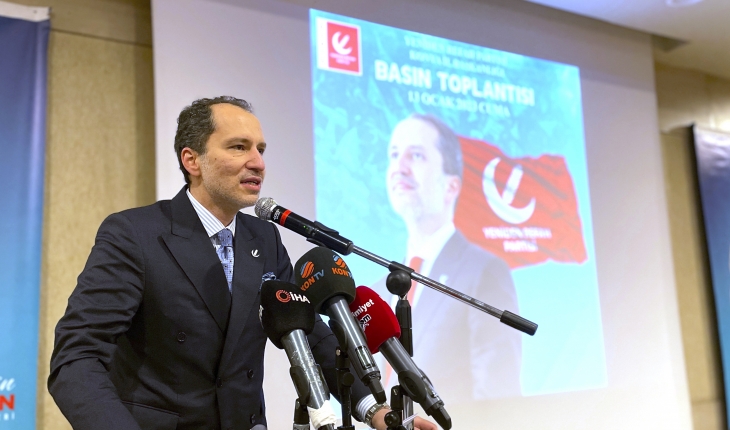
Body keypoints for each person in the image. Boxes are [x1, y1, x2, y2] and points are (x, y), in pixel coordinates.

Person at [48, 97, 436, 430]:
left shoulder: (264, 239)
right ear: (192, 160)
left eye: (261, 149)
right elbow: (77, 357)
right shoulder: (136, 234)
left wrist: (376, 411)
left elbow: (310, 333)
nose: (258, 162)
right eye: (238, 147)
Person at [376, 113, 521, 403]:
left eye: (416, 155)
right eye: (394, 154)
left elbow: (497, 395)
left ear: (451, 186)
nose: (399, 168)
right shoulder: (382, 287)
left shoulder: (483, 272)